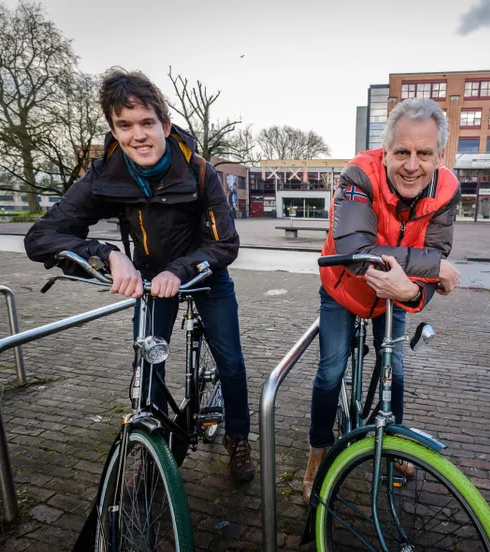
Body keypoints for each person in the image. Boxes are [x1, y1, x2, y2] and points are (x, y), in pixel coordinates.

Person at [24, 69, 254, 482]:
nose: (138, 136)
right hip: (150, 278)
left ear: (164, 125)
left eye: (147, 123)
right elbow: (42, 236)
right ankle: (154, 444)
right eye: (124, 126)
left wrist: (179, 269)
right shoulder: (106, 174)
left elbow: (225, 245)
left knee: (231, 361)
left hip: (204, 272)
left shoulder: (200, 172)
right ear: (114, 131)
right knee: (147, 366)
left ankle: (238, 437)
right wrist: (106, 254)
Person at [303, 98, 462, 502]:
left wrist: (412, 289)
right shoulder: (358, 175)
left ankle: (392, 444)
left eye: (424, 153)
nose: (412, 165)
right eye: (402, 152)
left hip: (397, 289)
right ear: (385, 152)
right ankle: (318, 451)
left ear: (439, 156)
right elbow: (357, 252)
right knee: (330, 371)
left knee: (395, 365)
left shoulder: (447, 191)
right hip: (344, 285)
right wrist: (433, 268)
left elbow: (436, 255)